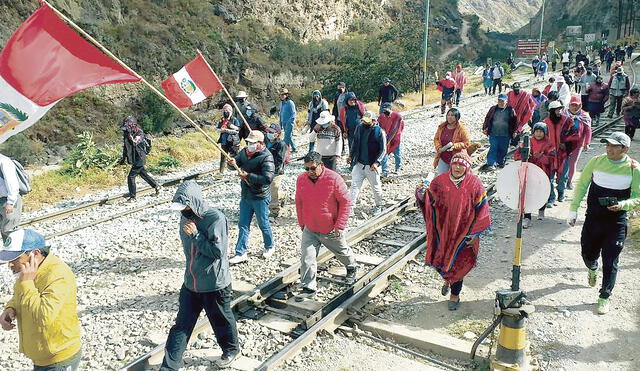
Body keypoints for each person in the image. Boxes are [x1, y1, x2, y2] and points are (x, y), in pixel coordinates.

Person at [162, 182, 240, 369]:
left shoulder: (215, 218)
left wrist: (196, 235)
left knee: (220, 320)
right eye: (181, 208)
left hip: (214, 283)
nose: (183, 211)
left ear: (194, 202)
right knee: (181, 326)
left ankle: (232, 350)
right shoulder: (184, 217)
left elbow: (218, 252)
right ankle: (168, 367)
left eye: (186, 206)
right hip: (191, 282)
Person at [568, 132, 640, 314]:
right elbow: (582, 185)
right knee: (588, 252)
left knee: (611, 260)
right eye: (607, 145)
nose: (609, 149)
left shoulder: (633, 168)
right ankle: (592, 267)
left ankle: (604, 296)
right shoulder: (596, 161)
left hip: (617, 222)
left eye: (614, 146)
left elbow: (638, 197)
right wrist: (573, 209)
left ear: (625, 149)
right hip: (593, 218)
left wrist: (623, 205)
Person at [416, 152, 491, 311]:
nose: (458, 167)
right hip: (443, 231)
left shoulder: (475, 184)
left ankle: (455, 295)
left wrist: (475, 233)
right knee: (441, 259)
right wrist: (422, 194)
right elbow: (430, 200)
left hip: (465, 233)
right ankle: (447, 279)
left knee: (459, 263)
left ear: (467, 167)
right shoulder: (440, 181)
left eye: (462, 165)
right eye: (455, 164)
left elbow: (482, 209)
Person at [0, 229, 82, 370]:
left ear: (35, 254)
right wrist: (10, 308)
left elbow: (43, 316)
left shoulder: (58, 275)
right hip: (42, 356)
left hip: (58, 358)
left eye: (16, 258)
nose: (11, 264)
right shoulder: (29, 271)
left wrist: (26, 283)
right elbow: (20, 294)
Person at [295, 151, 357, 300]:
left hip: (329, 228)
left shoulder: (334, 179)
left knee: (341, 251)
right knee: (307, 257)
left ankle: (351, 267)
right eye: (306, 168)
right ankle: (308, 287)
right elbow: (299, 202)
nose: (310, 171)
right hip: (310, 227)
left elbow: (346, 202)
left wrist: (340, 225)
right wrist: (302, 222)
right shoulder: (301, 179)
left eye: (313, 168)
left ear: (321, 165)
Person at [227, 130, 275, 264]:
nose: (249, 145)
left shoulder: (266, 157)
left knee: (263, 223)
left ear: (260, 143)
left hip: (260, 196)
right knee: (243, 224)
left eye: (252, 143)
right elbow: (235, 163)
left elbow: (268, 178)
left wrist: (248, 176)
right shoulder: (244, 152)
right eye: (248, 142)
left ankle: (269, 246)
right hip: (246, 195)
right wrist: (231, 163)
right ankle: (240, 252)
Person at [515, 122, 555, 228]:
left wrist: (541, 157)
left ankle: (541, 209)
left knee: (542, 192)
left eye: (541, 132)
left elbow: (551, 160)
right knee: (527, 193)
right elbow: (517, 155)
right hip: (529, 172)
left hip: (543, 172)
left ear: (545, 133)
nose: (538, 134)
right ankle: (527, 216)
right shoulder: (527, 141)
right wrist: (525, 157)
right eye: (536, 131)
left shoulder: (550, 143)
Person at [347, 112, 387, 215]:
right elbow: (355, 143)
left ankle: (379, 206)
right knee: (354, 185)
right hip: (359, 163)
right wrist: (351, 155)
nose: (364, 122)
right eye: (364, 120)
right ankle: (350, 207)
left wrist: (377, 162)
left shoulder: (380, 132)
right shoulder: (359, 128)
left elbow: (383, 150)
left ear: (374, 121)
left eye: (367, 121)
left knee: (376, 186)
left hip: (372, 165)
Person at [545, 101, 581, 206]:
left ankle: (561, 193)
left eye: (560, 109)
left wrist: (565, 143)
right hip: (550, 155)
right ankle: (551, 198)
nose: (559, 111)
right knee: (549, 178)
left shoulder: (567, 120)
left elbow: (575, 134)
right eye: (557, 109)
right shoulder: (545, 122)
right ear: (551, 111)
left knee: (563, 177)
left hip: (563, 154)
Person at [119, 116, 160, 202]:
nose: (125, 129)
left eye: (127, 127)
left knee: (131, 177)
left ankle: (133, 197)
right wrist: (123, 159)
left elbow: (135, 142)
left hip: (140, 158)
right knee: (143, 174)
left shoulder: (139, 132)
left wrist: (130, 135)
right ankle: (156, 186)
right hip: (135, 158)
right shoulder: (127, 134)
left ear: (132, 125)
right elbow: (126, 148)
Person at [564, 96, 592, 190]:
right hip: (565, 143)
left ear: (580, 105)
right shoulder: (564, 114)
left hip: (578, 143)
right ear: (569, 105)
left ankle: (569, 181)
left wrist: (586, 143)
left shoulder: (585, 116)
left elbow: (588, 130)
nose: (574, 107)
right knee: (563, 163)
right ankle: (561, 180)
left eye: (577, 105)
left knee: (572, 163)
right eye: (572, 105)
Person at [482, 94, 517, 170]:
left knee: (503, 148)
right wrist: (485, 128)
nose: (500, 102)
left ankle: (500, 162)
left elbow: (514, 122)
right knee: (493, 148)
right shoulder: (493, 109)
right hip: (494, 133)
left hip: (505, 134)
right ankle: (491, 164)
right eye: (499, 100)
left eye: (502, 101)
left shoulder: (510, 110)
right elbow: (487, 118)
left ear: (506, 101)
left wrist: (514, 131)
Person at [433, 108, 470, 175]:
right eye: (448, 115)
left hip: (457, 157)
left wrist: (454, 146)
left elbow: (466, 143)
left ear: (457, 117)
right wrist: (438, 147)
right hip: (443, 156)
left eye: (452, 115)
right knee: (442, 177)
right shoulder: (442, 127)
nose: (449, 117)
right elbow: (436, 139)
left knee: (456, 177)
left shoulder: (461, 128)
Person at [265, 124, 287, 217]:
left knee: (273, 188)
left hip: (276, 171)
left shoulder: (281, 144)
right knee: (268, 190)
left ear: (277, 134)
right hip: (265, 169)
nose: (269, 134)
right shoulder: (264, 141)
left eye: (271, 132)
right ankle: (283, 195)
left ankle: (274, 210)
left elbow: (279, 160)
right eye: (268, 132)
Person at [378, 103, 405, 177]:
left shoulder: (397, 116)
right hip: (384, 138)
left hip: (395, 138)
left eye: (386, 109)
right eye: (383, 109)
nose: (385, 111)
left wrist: (398, 134)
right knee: (384, 154)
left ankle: (398, 168)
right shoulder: (381, 116)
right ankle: (385, 171)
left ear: (390, 108)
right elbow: (379, 126)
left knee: (397, 153)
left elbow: (400, 126)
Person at [0, 153, 22, 240]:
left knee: (9, 230)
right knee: (4, 230)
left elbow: (12, 183)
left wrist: (10, 202)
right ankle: (8, 250)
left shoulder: (4, 161)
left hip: (7, 200)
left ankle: (14, 251)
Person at [217, 104, 241, 173]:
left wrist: (227, 130)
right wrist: (220, 130)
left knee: (235, 157)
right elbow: (218, 128)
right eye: (224, 110)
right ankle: (221, 171)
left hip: (233, 141)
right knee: (223, 157)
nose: (225, 112)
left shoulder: (234, 120)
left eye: (227, 110)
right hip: (224, 141)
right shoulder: (222, 120)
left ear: (230, 111)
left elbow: (237, 130)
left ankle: (237, 171)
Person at [278, 88, 297, 153]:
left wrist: (290, 122)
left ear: (287, 95)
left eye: (284, 94)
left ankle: (284, 151)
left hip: (289, 123)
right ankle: (294, 149)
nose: (282, 96)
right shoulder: (281, 103)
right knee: (289, 136)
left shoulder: (290, 103)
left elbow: (293, 114)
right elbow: (280, 114)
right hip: (283, 122)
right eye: (281, 95)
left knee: (286, 137)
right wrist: (280, 123)